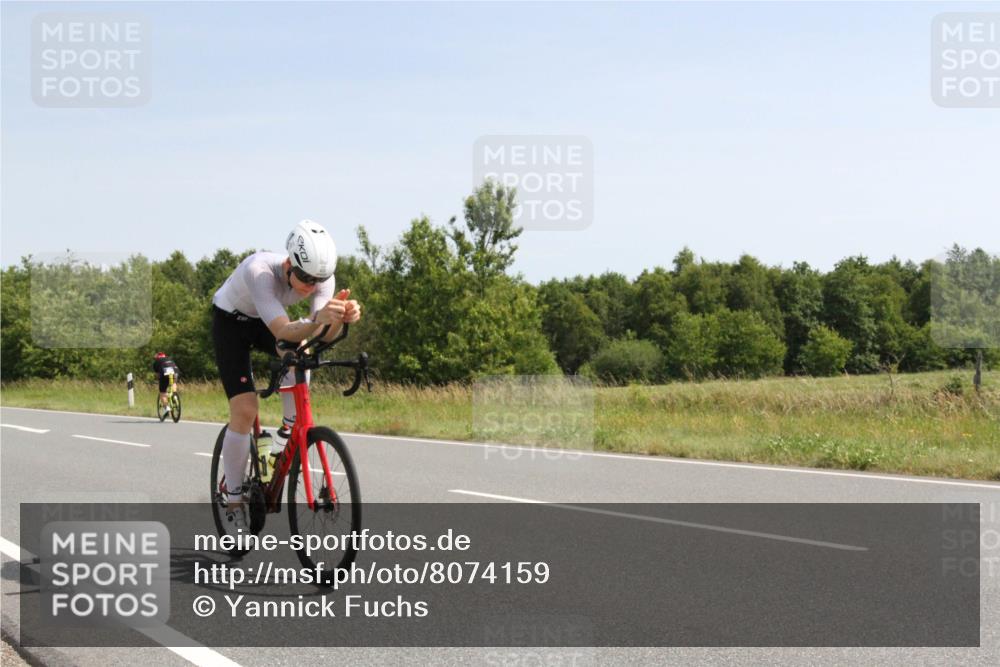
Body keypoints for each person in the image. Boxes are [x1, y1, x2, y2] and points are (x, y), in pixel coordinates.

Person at [211, 220, 362, 532]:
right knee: (245, 408)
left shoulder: (322, 280)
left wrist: (342, 317)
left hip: (271, 321)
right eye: (304, 277)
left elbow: (316, 332)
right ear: (289, 262)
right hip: (232, 323)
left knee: (302, 354)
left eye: (317, 280)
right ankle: (234, 497)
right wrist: (318, 319)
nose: (310, 285)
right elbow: (282, 330)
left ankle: (287, 434)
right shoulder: (260, 272)